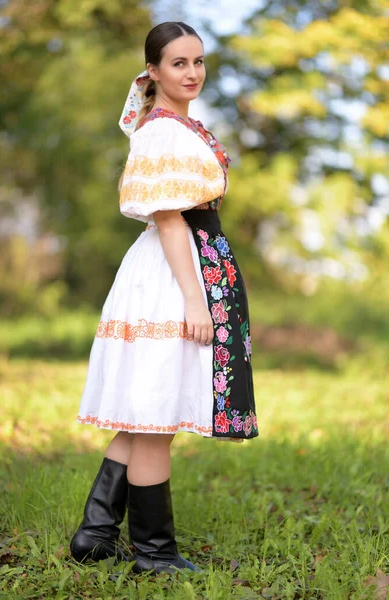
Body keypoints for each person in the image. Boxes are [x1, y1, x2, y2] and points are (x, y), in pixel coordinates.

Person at [69, 21, 259, 575]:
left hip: (185, 262)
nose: (192, 72)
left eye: (198, 61)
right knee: (154, 417)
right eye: (178, 63)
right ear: (153, 70)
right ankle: (154, 554)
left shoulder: (182, 125)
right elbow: (171, 218)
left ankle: (95, 533)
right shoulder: (162, 132)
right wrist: (196, 301)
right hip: (175, 272)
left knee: (142, 412)